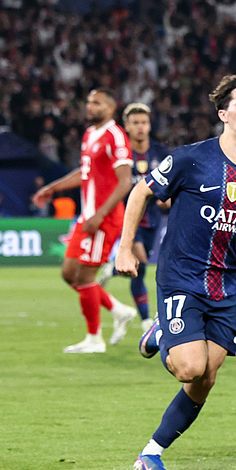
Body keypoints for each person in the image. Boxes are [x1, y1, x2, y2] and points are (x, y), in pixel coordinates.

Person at [114, 73, 236, 470]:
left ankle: (151, 453)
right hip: (180, 277)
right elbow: (140, 192)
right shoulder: (190, 159)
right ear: (223, 113)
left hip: (223, 286)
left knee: (206, 377)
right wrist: (125, 248)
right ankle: (162, 332)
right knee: (189, 367)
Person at [33, 89, 138, 354]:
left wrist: (100, 214)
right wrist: (53, 188)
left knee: (85, 277)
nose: (90, 106)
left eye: (96, 103)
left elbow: (125, 182)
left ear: (111, 108)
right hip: (87, 216)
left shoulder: (115, 136)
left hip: (104, 218)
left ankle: (94, 339)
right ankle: (119, 310)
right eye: (89, 102)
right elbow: (85, 172)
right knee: (70, 274)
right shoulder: (90, 134)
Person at [99, 103, 171, 334]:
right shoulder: (121, 155)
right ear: (127, 127)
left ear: (149, 126)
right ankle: (146, 320)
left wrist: (167, 198)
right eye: (135, 123)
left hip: (152, 218)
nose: (140, 127)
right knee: (140, 258)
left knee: (139, 269)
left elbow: (172, 184)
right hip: (127, 216)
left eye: (144, 122)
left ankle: (114, 271)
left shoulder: (161, 153)